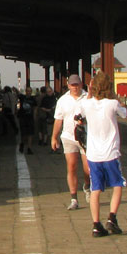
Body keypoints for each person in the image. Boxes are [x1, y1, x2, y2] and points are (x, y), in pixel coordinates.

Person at [76, 71, 127, 237]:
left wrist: (89, 93)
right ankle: (112, 218)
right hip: (111, 153)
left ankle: (96, 225)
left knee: (95, 189)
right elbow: (124, 113)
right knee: (117, 185)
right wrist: (116, 97)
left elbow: (79, 114)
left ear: (93, 87)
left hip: (93, 155)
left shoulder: (87, 104)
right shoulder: (112, 104)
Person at [51, 74, 91, 210]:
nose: (75, 87)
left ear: (81, 84)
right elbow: (58, 120)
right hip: (68, 136)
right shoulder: (63, 100)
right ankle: (74, 198)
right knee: (71, 166)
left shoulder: (88, 98)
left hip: (86, 137)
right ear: (68, 86)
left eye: (77, 84)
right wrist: (54, 137)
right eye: (72, 85)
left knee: (88, 168)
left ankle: (87, 185)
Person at [16, 86, 36, 154]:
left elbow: (35, 108)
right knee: (24, 134)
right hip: (23, 118)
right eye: (28, 91)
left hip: (30, 118)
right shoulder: (22, 97)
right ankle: (22, 143)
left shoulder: (33, 99)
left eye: (30, 91)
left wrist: (34, 117)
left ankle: (29, 148)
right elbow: (17, 94)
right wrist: (15, 90)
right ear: (26, 91)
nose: (29, 92)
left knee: (30, 134)